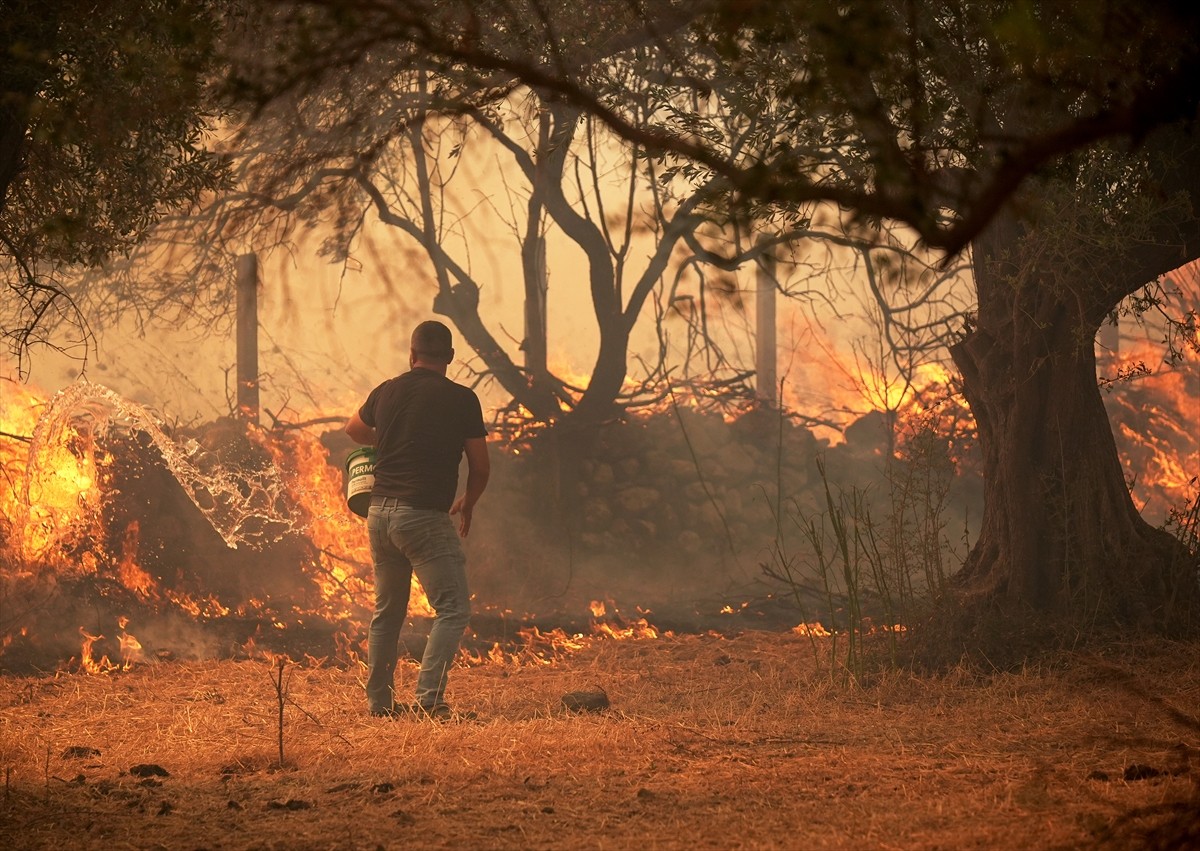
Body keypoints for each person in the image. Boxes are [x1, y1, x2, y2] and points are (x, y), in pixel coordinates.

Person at [345, 320, 490, 720]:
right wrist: (469, 502)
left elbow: (354, 429)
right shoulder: (462, 399)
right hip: (423, 516)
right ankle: (429, 700)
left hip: (379, 514)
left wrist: (390, 439)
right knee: (453, 608)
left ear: (412, 355)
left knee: (387, 613)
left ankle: (379, 704)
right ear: (450, 357)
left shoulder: (387, 390)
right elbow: (480, 466)